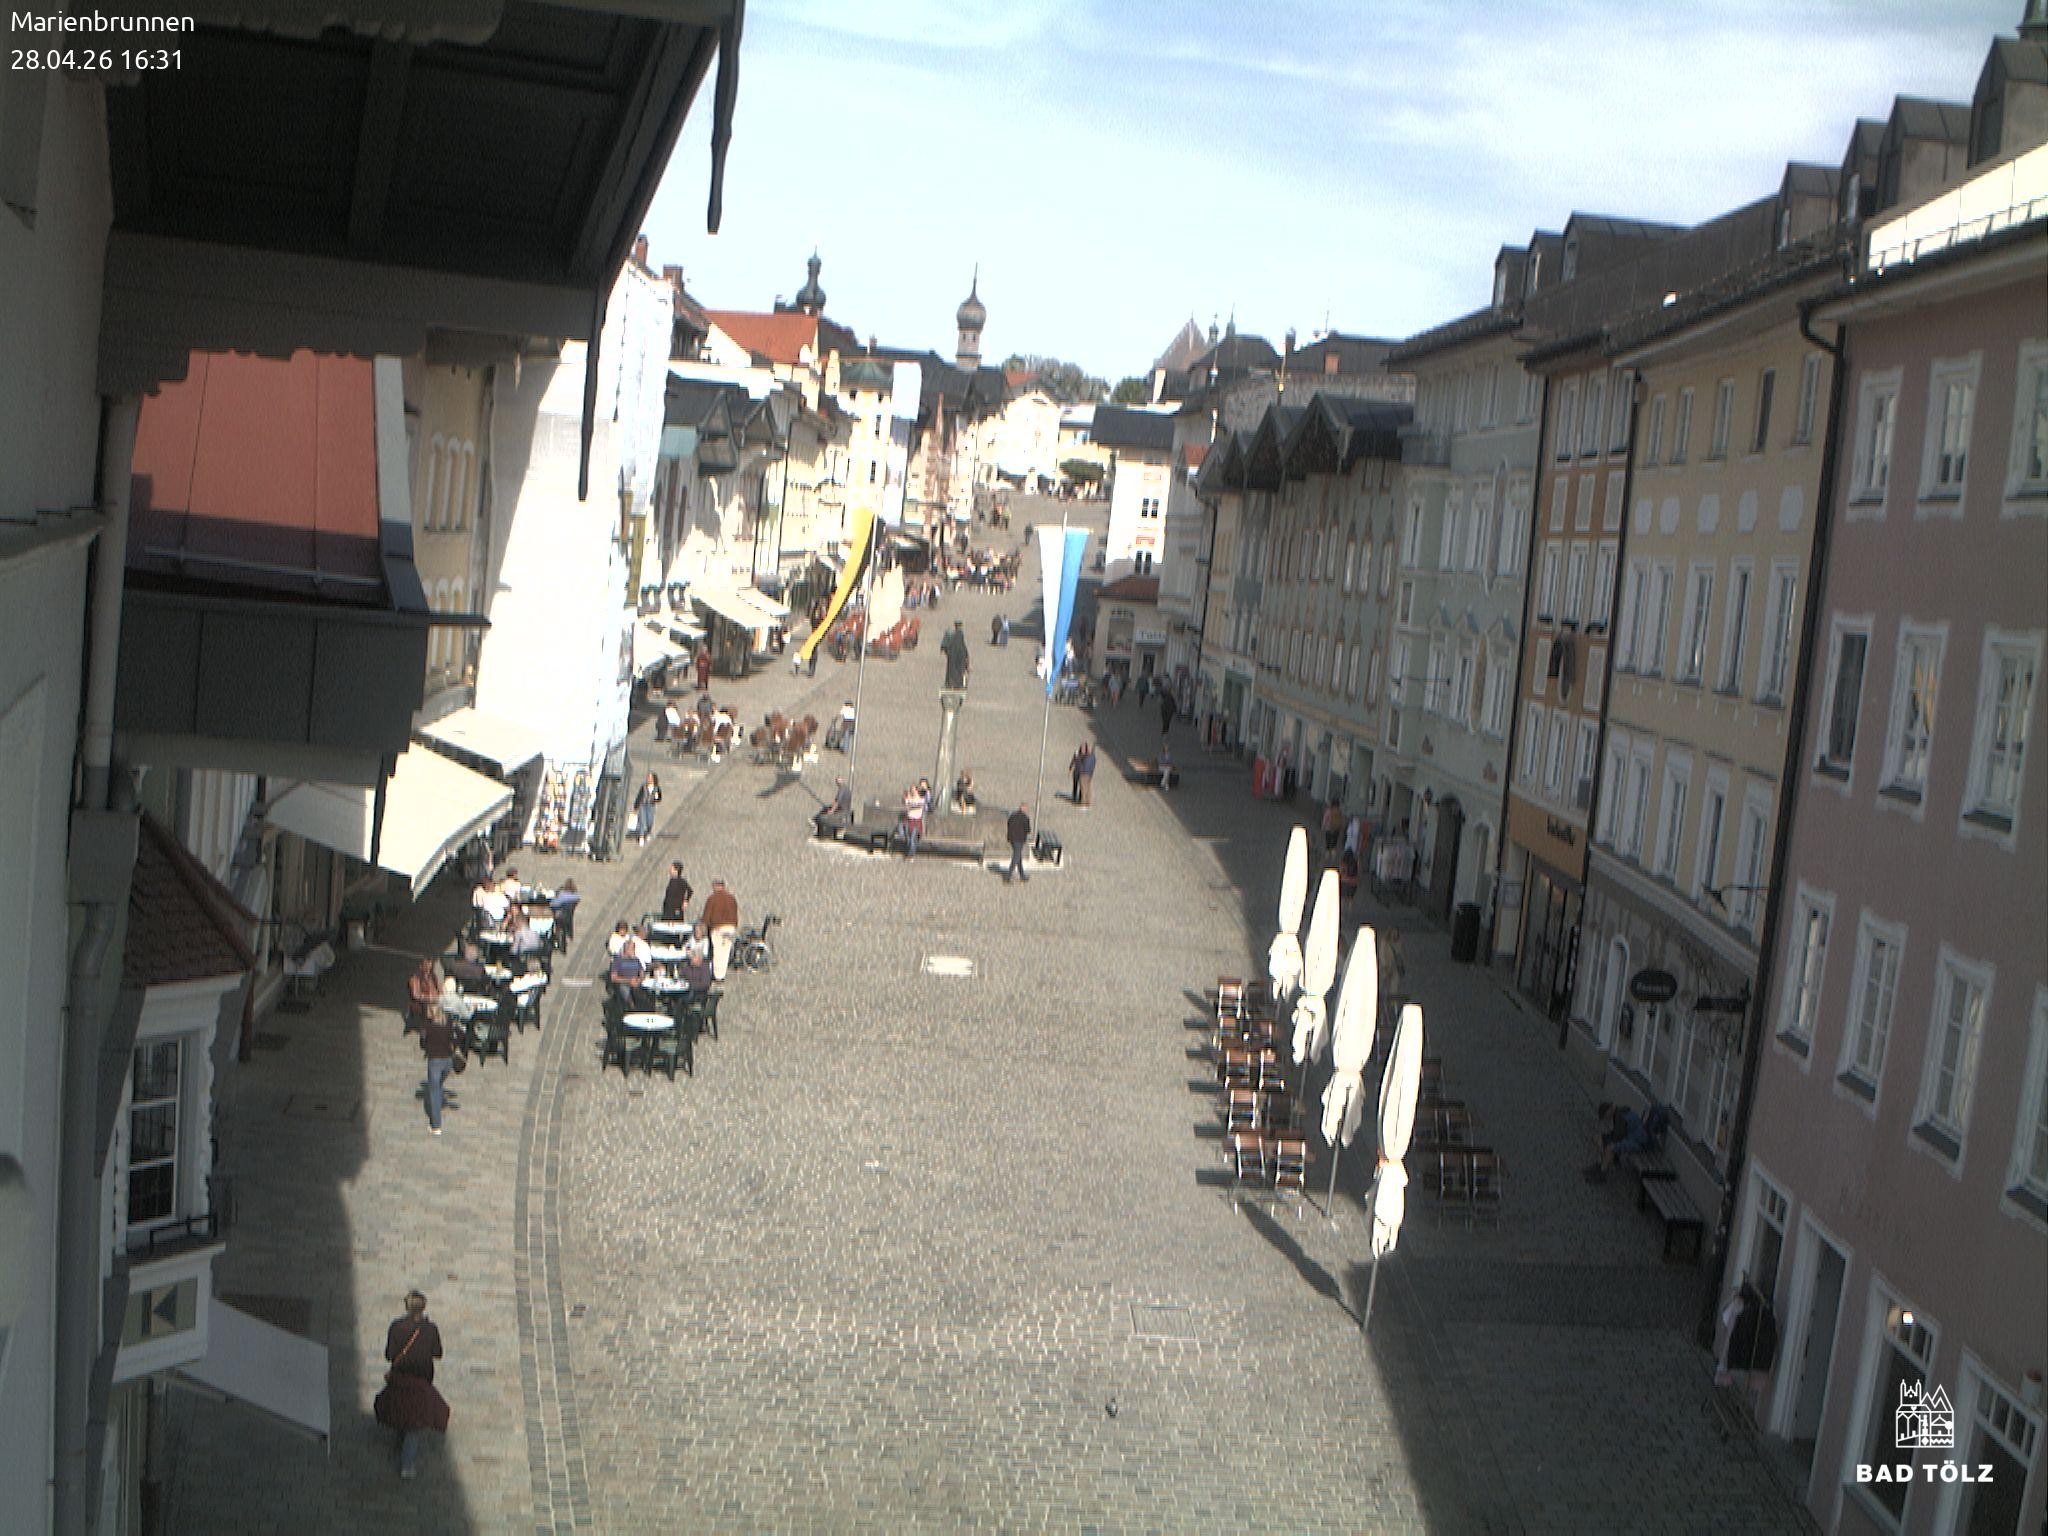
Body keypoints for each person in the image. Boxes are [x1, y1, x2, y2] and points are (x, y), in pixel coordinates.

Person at [379, 1290, 448, 1478]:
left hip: (399, 1379)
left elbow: (389, 1354)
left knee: (401, 1410)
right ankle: (407, 1465)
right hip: (420, 1381)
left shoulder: (397, 1326)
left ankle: (399, 1441)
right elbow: (438, 1353)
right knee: (414, 1424)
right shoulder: (430, 1329)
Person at [420, 1005, 459, 1135]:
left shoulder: (428, 1026)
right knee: (439, 1084)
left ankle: (436, 1125)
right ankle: (440, 1101)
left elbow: (422, 1044)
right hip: (447, 1061)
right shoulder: (448, 1023)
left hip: (435, 1061)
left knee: (434, 1092)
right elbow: (455, 1037)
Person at [701, 879, 740, 981]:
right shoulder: (731, 898)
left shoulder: (712, 898)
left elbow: (706, 916)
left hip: (718, 927)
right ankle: (722, 974)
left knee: (718, 951)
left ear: (716, 886)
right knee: (725, 951)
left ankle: (717, 976)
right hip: (730, 927)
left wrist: (705, 925)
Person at [405, 958, 438, 1035]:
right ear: (421, 966)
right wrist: (429, 998)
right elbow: (416, 995)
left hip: (433, 1000)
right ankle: (425, 1031)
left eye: (431, 968)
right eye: (427, 967)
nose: (429, 970)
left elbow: (438, 989)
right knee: (428, 1007)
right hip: (419, 1003)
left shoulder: (433, 977)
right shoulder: (415, 978)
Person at [1004, 803, 1032, 883]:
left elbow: (1008, 824)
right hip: (1019, 840)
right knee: (1016, 858)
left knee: (1018, 857)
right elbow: (1028, 830)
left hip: (1012, 839)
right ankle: (1008, 877)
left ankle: (1022, 875)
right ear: (1024, 809)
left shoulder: (1012, 816)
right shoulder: (1025, 818)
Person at [632, 771, 661, 846]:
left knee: (649, 821)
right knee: (642, 820)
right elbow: (639, 796)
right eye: (648, 778)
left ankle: (648, 832)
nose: (649, 779)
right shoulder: (643, 786)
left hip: (651, 806)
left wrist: (655, 799)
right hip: (643, 805)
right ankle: (641, 837)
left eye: (650, 778)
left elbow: (659, 798)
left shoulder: (656, 788)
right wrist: (635, 807)